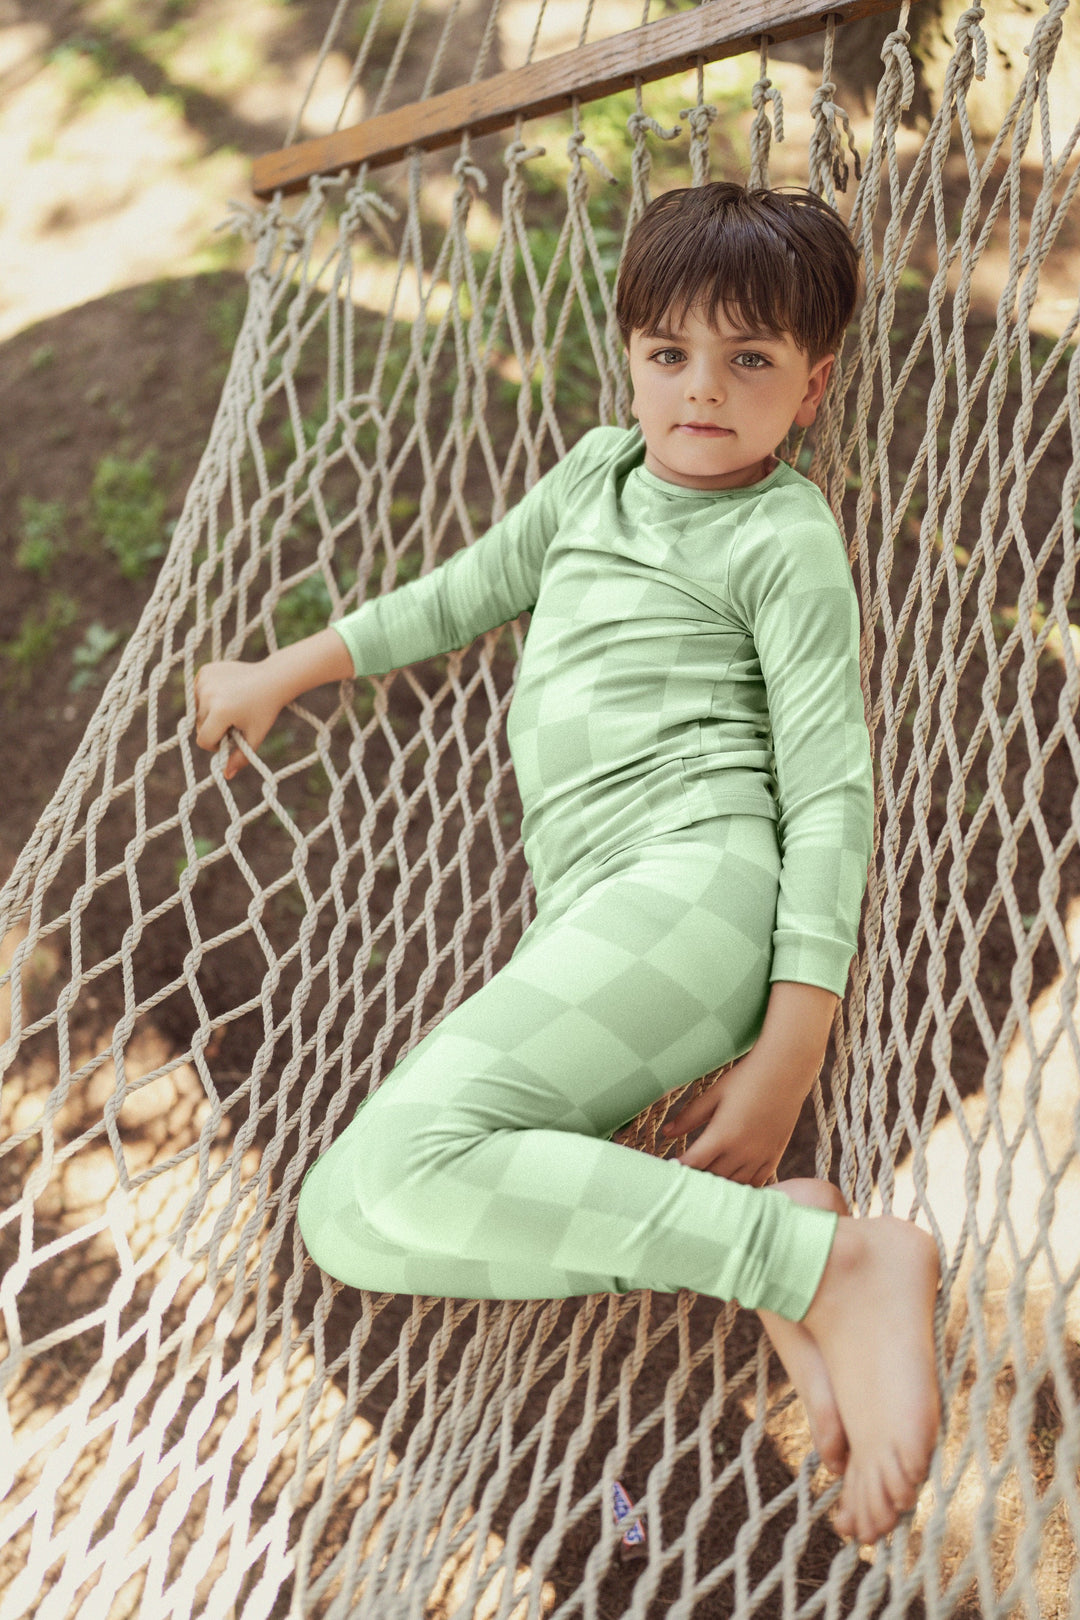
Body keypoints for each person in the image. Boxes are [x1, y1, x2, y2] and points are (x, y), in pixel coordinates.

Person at [194, 182, 940, 1545]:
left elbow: (832, 790)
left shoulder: (780, 534)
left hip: (698, 886)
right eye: (670, 352)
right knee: (349, 1219)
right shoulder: (596, 476)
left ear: (815, 385)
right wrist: (281, 671)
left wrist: (795, 1042)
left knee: (409, 1161)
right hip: (593, 914)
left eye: (750, 360)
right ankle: (778, 1245)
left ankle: (829, 1265)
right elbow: (457, 594)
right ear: (630, 357)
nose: (702, 389)